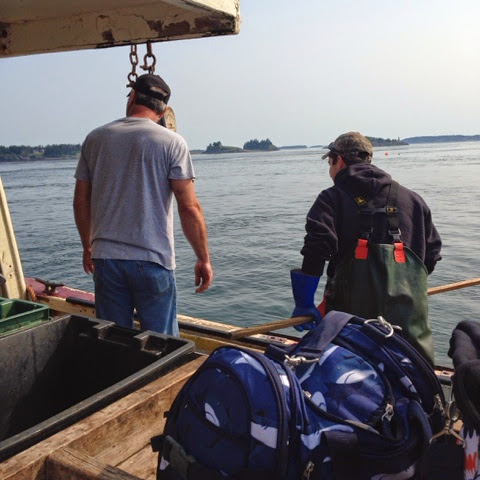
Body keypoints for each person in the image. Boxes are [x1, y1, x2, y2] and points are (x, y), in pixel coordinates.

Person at [73, 73, 213, 336]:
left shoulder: (95, 138)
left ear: (133, 97)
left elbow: (81, 199)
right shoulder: (173, 143)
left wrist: (87, 245)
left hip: (106, 259)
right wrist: (203, 258)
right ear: (162, 112)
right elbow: (188, 207)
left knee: (113, 341)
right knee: (162, 345)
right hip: (153, 260)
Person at [290, 131, 442, 364]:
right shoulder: (413, 200)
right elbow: (431, 255)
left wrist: (304, 303)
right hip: (409, 340)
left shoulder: (331, 198)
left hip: (351, 332)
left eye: (329, 163)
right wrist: (398, 287)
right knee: (410, 373)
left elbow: (316, 247)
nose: (330, 170)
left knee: (348, 374)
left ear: (338, 160)